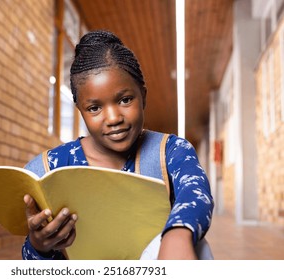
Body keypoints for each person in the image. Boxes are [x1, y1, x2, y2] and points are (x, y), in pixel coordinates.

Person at [21, 30, 214, 260]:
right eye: (94, 108)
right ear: (81, 111)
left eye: (125, 100)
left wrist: (178, 233)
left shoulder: (170, 151)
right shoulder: (48, 168)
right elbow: (29, 262)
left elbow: (196, 193)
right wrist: (38, 245)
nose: (113, 118)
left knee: (200, 246)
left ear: (143, 95)